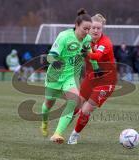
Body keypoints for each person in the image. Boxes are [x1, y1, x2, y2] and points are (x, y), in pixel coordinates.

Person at [40, 8, 94, 144]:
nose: (87, 32)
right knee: (48, 104)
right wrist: (56, 62)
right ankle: (44, 123)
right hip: (55, 76)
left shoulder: (87, 39)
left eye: (89, 29)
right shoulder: (64, 36)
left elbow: (90, 55)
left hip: (71, 77)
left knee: (73, 100)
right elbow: (50, 57)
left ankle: (57, 134)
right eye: (85, 29)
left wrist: (95, 64)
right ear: (76, 26)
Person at [67, 14, 117, 144]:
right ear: (88, 28)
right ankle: (59, 132)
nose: (95, 31)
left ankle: (74, 135)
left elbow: (97, 56)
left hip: (106, 81)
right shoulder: (84, 40)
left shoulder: (106, 43)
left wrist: (85, 52)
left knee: (85, 110)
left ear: (102, 29)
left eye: (98, 28)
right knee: (75, 106)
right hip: (90, 78)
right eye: (93, 28)